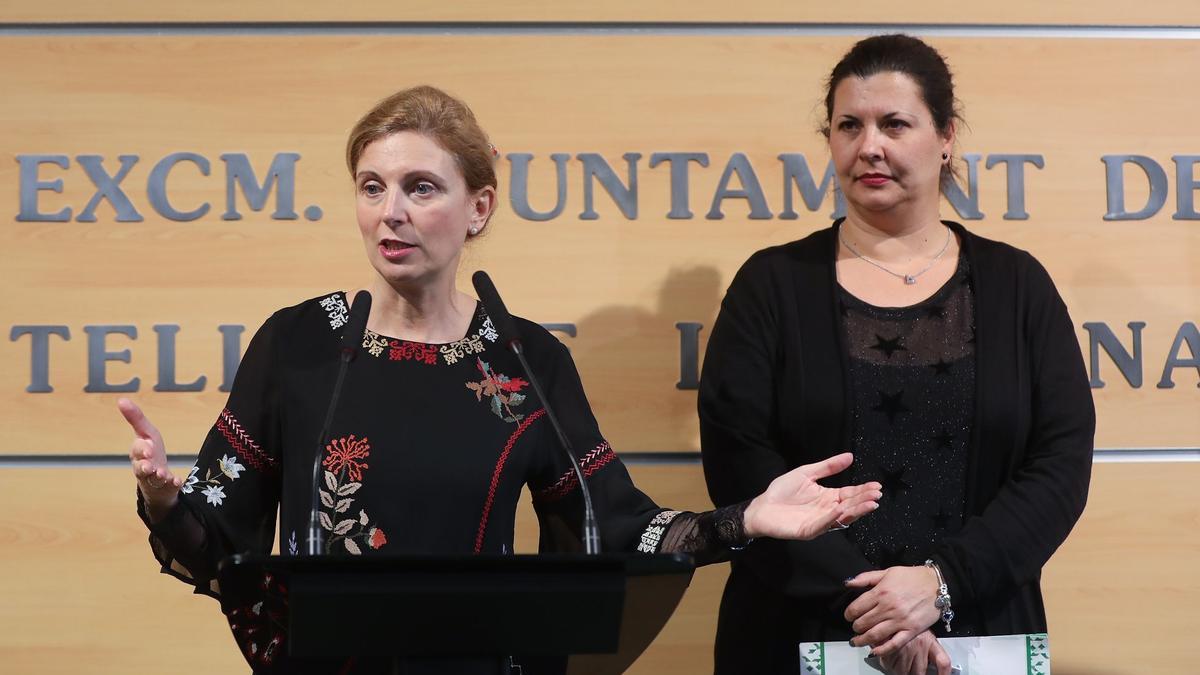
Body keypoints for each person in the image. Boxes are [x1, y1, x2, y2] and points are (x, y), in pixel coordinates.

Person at [121, 85, 882, 675]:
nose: (392, 213)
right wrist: (162, 497)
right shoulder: (301, 342)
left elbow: (616, 529)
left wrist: (747, 518)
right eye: (372, 186)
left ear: (477, 206)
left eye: (421, 187)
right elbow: (218, 547)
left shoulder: (525, 362)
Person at [699, 34, 1094, 675]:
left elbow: (1060, 464)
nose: (869, 146)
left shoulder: (1017, 285)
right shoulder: (770, 285)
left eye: (895, 123)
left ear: (945, 137)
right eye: (848, 125)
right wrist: (878, 608)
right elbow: (740, 462)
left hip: (978, 629)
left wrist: (940, 584)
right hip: (798, 631)